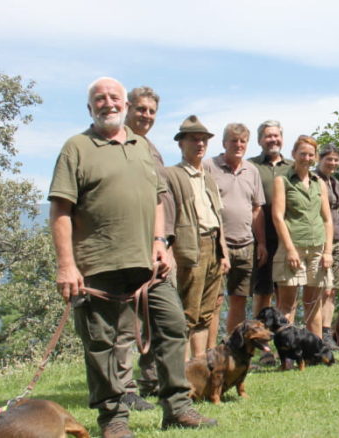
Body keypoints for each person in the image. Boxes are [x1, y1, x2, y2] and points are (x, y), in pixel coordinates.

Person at [49, 77, 215, 437]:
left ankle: (178, 407)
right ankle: (113, 420)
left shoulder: (141, 146)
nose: (107, 103)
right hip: (97, 265)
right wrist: (67, 265)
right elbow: (60, 209)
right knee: (103, 344)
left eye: (114, 98)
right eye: (99, 98)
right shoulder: (76, 147)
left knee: (172, 326)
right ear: (89, 107)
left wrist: (160, 240)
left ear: (123, 105)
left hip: (149, 266)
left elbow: (157, 198)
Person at [114, 85, 167, 410]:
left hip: (156, 247)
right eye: (141, 109)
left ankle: (151, 380)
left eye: (151, 111)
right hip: (124, 247)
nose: (146, 116)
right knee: (123, 324)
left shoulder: (152, 149)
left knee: (158, 319)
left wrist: (163, 241)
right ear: (127, 108)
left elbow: (158, 199)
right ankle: (124, 390)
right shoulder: (113, 145)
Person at [165, 115, 230, 359]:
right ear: (181, 144)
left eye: (204, 140)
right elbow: (166, 218)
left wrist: (223, 253)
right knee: (186, 313)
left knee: (206, 312)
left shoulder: (209, 179)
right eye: (194, 140)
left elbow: (218, 218)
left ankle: (199, 365)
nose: (200, 144)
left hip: (213, 247)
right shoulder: (170, 175)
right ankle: (180, 372)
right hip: (190, 249)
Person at [203, 123, 266, 334]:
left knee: (239, 299)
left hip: (246, 244)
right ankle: (209, 353)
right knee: (214, 300)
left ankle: (232, 349)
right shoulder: (209, 167)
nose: (238, 145)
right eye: (233, 141)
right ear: (223, 143)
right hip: (217, 245)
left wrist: (262, 243)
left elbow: (257, 209)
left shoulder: (252, 170)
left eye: (242, 141)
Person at [271, 135, 334, 337]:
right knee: (287, 304)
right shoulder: (282, 181)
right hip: (293, 247)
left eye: (310, 154)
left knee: (313, 303)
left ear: (315, 157)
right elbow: (278, 217)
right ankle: (287, 353)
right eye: (302, 154)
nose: (306, 158)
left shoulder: (319, 183)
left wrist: (328, 251)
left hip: (317, 247)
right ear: (293, 155)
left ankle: (315, 348)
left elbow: (327, 220)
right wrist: (289, 249)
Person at [248, 120, 292, 314]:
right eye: (268, 136)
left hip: (288, 238)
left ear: (281, 138)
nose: (273, 139)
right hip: (261, 238)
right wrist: (260, 242)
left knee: (286, 291)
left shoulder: (293, 167)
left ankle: (284, 339)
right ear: (260, 140)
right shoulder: (250, 166)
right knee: (262, 291)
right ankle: (259, 334)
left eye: (276, 135)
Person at [314, 143, 339, 349]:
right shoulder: (313, 180)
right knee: (321, 290)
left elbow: (337, 215)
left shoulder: (335, 182)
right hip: (320, 241)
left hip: (337, 240)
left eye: (336, 159)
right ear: (320, 159)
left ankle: (327, 333)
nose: (333, 163)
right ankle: (316, 334)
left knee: (333, 290)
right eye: (329, 159)